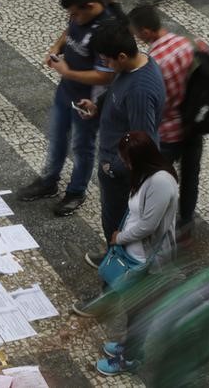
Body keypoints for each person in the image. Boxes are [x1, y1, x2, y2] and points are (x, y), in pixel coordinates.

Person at [71, 22, 166, 269]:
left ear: (122, 56)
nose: (107, 66)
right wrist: (97, 105)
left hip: (120, 171)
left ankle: (118, 270)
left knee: (117, 224)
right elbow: (116, 88)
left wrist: (111, 168)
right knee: (112, 222)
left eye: (108, 61)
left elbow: (142, 143)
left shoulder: (141, 91)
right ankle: (114, 256)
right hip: (113, 158)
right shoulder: (135, 64)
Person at [16, 0, 113, 216]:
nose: (73, 17)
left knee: (82, 146)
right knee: (57, 137)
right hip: (65, 91)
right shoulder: (79, 15)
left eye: (76, 13)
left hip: (87, 101)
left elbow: (105, 76)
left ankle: (76, 191)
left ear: (90, 6)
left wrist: (68, 72)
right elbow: (68, 31)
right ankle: (49, 181)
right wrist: (55, 48)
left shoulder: (107, 31)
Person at [93, 131, 178, 376]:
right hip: (135, 254)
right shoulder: (145, 176)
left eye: (127, 159)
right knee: (132, 307)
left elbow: (148, 226)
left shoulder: (160, 183)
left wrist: (119, 237)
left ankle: (129, 358)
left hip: (148, 261)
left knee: (138, 311)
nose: (125, 164)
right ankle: (128, 347)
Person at [128, 5, 202, 246]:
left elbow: (157, 102)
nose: (138, 38)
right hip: (193, 128)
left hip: (169, 134)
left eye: (138, 33)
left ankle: (148, 229)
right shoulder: (184, 43)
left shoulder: (155, 61)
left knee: (152, 182)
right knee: (190, 176)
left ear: (147, 31)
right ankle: (187, 223)